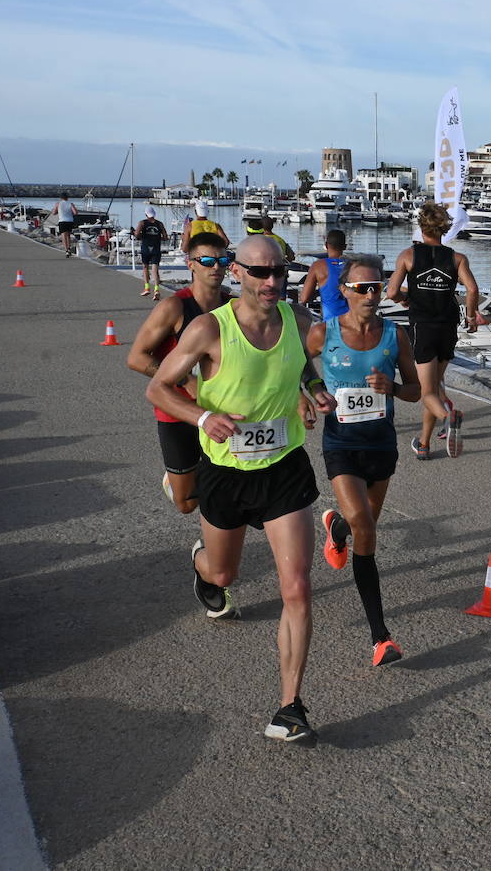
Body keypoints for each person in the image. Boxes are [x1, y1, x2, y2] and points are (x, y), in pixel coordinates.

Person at [146, 234, 335, 746]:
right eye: (260, 272)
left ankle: (290, 705)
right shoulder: (209, 329)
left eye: (280, 272)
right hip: (226, 474)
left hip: (283, 468)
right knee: (224, 571)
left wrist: (313, 388)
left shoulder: (295, 319)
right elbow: (157, 387)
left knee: (296, 588)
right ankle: (203, 566)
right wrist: (204, 415)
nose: (272, 281)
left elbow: (300, 362)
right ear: (237, 273)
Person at [305, 257, 421, 666]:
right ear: (344, 292)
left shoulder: (395, 335)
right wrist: (311, 393)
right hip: (340, 443)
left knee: (363, 528)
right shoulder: (324, 333)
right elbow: (297, 367)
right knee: (367, 527)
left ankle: (336, 526)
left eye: (376, 287)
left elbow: (416, 391)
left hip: (381, 445)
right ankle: (380, 637)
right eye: (361, 288)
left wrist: (392, 386)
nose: (370, 295)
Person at [127, 231, 235, 512]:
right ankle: (178, 481)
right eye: (207, 260)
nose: (216, 267)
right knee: (186, 503)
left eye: (223, 259)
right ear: (191, 264)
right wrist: (186, 380)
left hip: (223, 408)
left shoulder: (233, 306)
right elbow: (136, 357)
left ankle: (215, 547)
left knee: (228, 489)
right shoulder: (173, 307)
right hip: (178, 412)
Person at [385, 203, 483, 460]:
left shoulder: (408, 256)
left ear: (421, 226)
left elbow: (392, 292)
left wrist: (406, 298)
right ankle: (425, 443)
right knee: (435, 387)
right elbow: (472, 290)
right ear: (445, 229)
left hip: (423, 327)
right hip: (448, 326)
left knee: (426, 392)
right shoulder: (457, 258)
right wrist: (471, 317)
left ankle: (447, 417)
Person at [297, 228, 348, 320]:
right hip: (353, 323)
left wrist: (319, 292)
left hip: (330, 322)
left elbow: (304, 298)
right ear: (345, 247)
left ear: (326, 245)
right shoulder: (354, 266)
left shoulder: (318, 266)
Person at [135, 208, 169, 298]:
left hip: (146, 248)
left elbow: (137, 234)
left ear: (146, 214)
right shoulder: (159, 224)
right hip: (156, 248)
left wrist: (141, 236)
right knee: (155, 270)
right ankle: (156, 290)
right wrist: (157, 238)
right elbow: (165, 237)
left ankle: (147, 288)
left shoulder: (142, 223)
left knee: (145, 267)